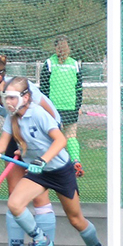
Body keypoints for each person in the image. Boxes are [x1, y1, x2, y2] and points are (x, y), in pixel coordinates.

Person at [0, 76, 107, 246]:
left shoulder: (38, 113)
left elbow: (60, 140)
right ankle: (40, 239)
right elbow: (2, 145)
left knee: (76, 219)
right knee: (15, 204)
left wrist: (43, 160)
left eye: (12, 97)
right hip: (38, 173)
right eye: (6, 98)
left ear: (26, 97)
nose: (8, 102)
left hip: (59, 171)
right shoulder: (11, 118)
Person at [0, 54, 62, 246]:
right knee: (14, 195)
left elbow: (53, 120)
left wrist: (34, 148)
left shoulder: (23, 89)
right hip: (14, 136)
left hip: (41, 138)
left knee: (39, 196)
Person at [40, 35, 85, 177]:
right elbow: (79, 88)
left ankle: (54, 164)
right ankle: (76, 161)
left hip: (52, 108)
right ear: (69, 48)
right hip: (71, 106)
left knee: (53, 137)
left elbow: (44, 87)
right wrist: (78, 106)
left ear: (55, 47)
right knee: (71, 136)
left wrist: (44, 106)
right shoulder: (75, 64)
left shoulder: (49, 63)